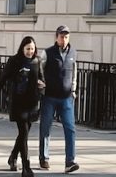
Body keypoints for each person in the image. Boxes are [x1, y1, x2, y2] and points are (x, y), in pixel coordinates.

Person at [0, 36, 44, 176]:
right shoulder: (15, 61)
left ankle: (12, 157)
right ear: (22, 48)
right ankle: (26, 167)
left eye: (32, 49)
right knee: (23, 133)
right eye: (28, 49)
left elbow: (42, 78)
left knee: (24, 134)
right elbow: (2, 79)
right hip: (18, 102)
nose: (30, 51)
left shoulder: (37, 61)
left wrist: (41, 85)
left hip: (32, 103)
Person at [38, 25, 78, 173]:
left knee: (70, 128)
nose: (64, 39)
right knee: (45, 127)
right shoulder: (48, 53)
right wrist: (41, 87)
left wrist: (73, 90)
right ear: (56, 37)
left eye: (66, 36)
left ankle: (70, 161)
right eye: (61, 36)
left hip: (66, 97)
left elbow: (74, 72)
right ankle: (44, 158)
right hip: (50, 96)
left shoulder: (73, 52)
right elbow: (40, 69)